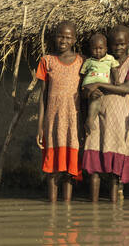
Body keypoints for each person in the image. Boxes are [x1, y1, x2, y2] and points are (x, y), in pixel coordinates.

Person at [82, 26, 129, 202]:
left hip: (119, 119)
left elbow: (125, 88)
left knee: (115, 173)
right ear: (109, 46)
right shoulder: (101, 61)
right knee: (95, 168)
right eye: (115, 44)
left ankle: (113, 207)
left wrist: (100, 85)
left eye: (122, 44)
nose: (118, 48)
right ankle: (94, 207)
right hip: (99, 116)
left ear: (128, 44)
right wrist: (90, 91)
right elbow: (86, 87)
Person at [36, 22, 83, 202]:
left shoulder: (82, 62)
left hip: (73, 121)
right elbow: (43, 97)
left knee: (69, 170)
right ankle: (53, 208)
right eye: (60, 36)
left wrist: (84, 123)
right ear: (55, 37)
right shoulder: (47, 61)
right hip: (53, 121)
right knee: (53, 169)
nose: (63, 40)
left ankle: (67, 208)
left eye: (68, 37)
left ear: (74, 39)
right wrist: (40, 126)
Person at [80, 33, 119, 132]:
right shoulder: (88, 61)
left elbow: (114, 69)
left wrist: (116, 80)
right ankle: (89, 120)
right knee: (94, 100)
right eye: (94, 49)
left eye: (100, 48)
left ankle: (89, 120)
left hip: (101, 84)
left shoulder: (110, 59)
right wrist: (84, 87)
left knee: (95, 100)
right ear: (90, 49)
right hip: (89, 84)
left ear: (106, 48)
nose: (98, 51)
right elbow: (83, 74)